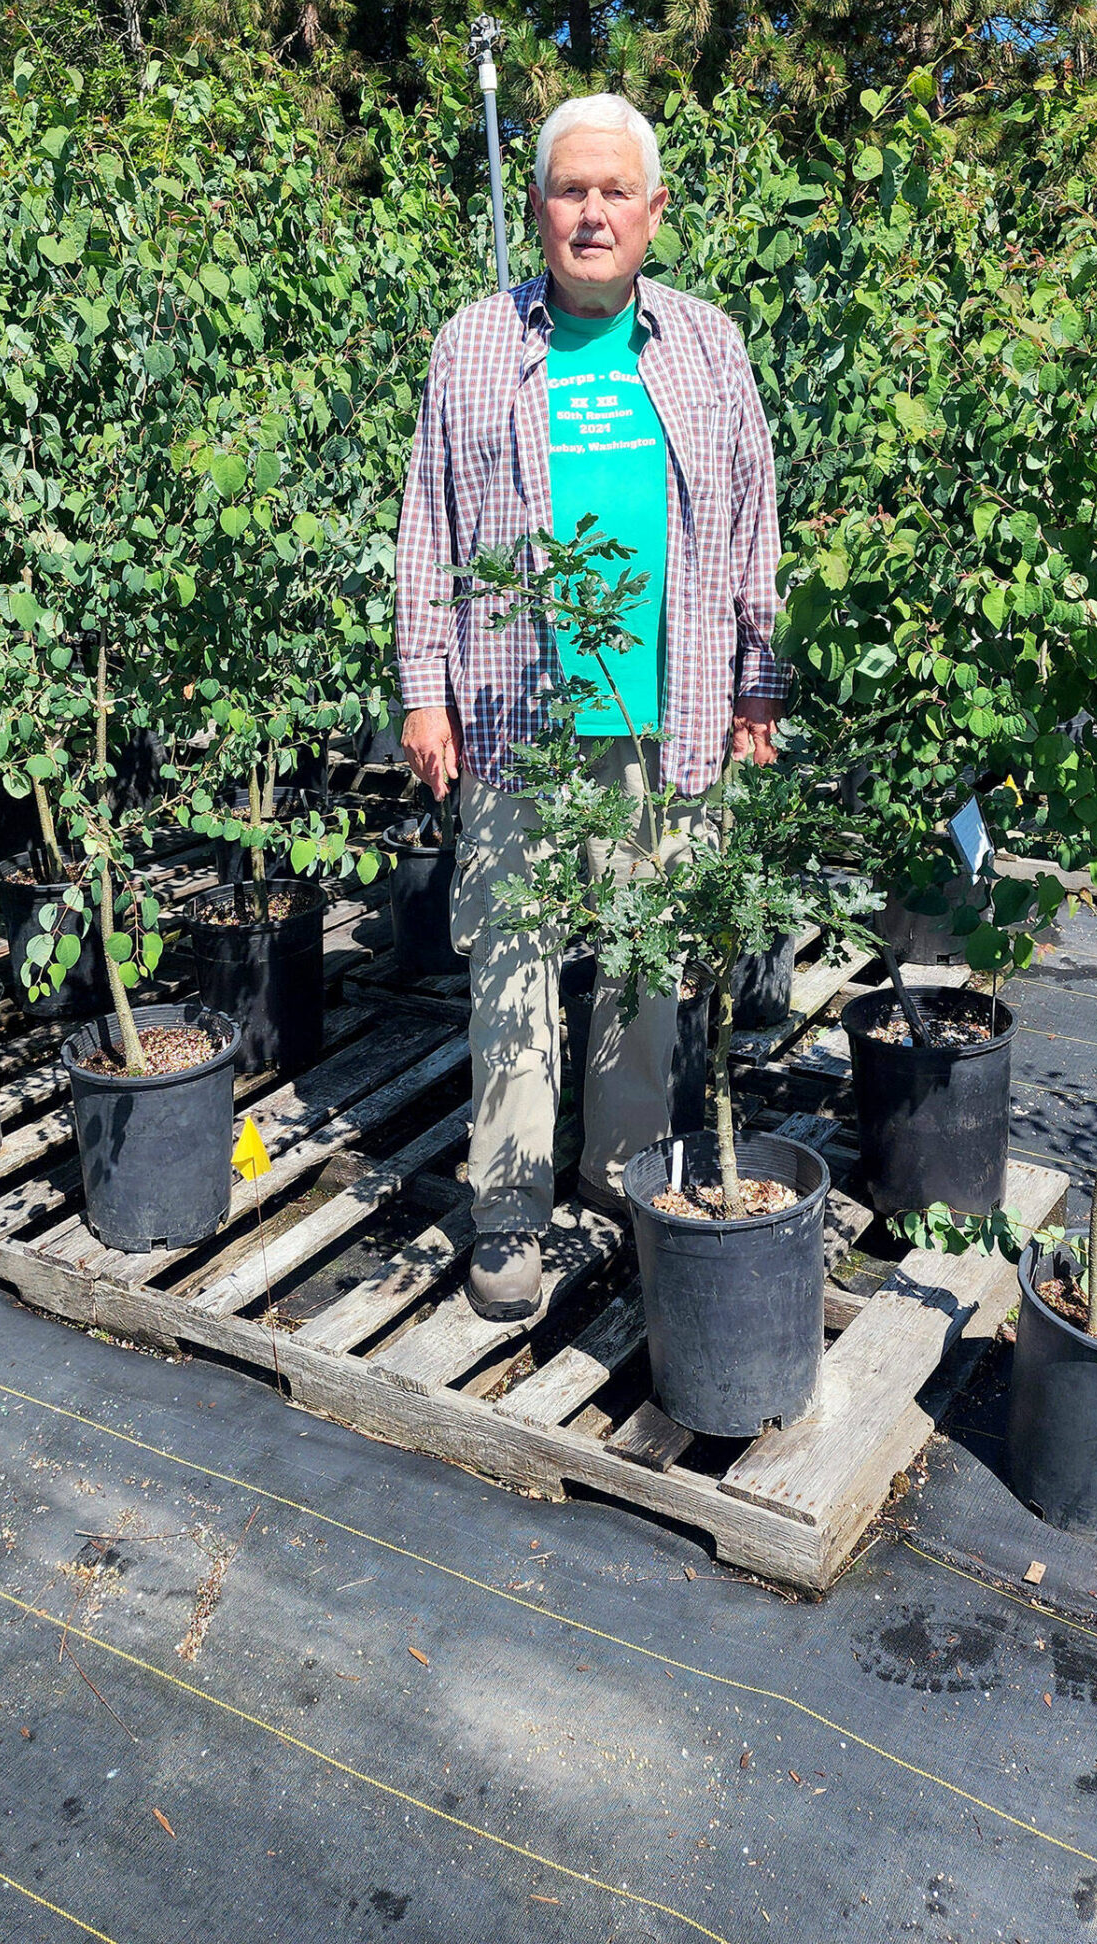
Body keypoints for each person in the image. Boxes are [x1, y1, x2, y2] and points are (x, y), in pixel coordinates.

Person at [396, 93, 789, 1320]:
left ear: (654, 212)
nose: (592, 213)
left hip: (664, 719)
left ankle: (619, 1174)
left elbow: (751, 522)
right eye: (570, 190)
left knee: (642, 961)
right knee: (509, 960)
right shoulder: (471, 345)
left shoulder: (707, 347)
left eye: (617, 191)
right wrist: (424, 692)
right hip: (517, 718)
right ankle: (508, 1205)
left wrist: (756, 682)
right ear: (537, 206)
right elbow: (428, 528)